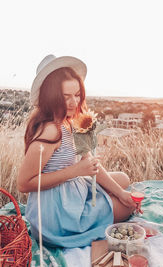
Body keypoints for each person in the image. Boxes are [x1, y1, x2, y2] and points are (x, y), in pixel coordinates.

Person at [17, 54, 136, 248]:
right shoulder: (50, 130)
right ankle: (82, 224)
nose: (74, 102)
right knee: (124, 208)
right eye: (66, 97)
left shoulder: (70, 121)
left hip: (72, 189)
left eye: (77, 94)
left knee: (123, 180)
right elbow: (24, 183)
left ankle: (109, 200)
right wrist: (76, 171)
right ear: (51, 96)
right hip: (55, 213)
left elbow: (89, 163)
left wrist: (121, 192)